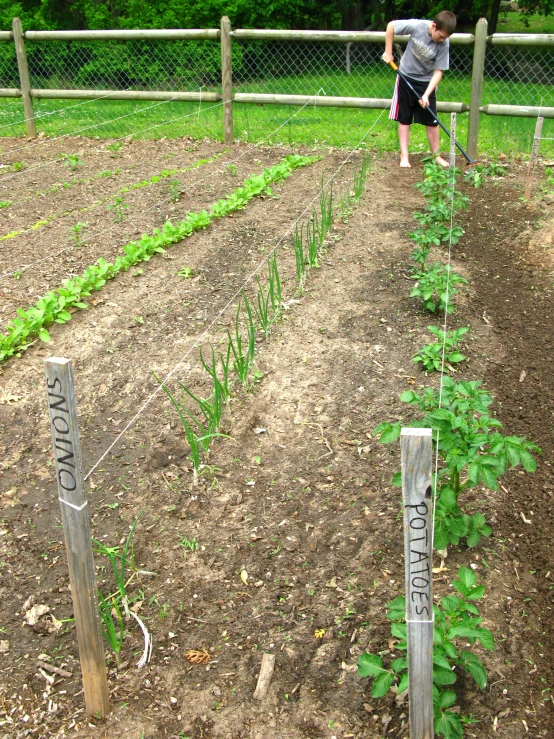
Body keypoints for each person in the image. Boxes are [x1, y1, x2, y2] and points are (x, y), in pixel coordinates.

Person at [382, 11, 456, 168]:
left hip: (426, 82)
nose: (442, 40)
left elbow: (439, 71)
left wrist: (427, 94)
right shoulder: (418, 26)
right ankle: (404, 156)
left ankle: (436, 156)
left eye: (445, 38)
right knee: (404, 119)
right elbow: (391, 26)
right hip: (405, 76)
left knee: (432, 122)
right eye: (441, 36)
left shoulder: (444, 43)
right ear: (434, 26)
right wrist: (388, 52)